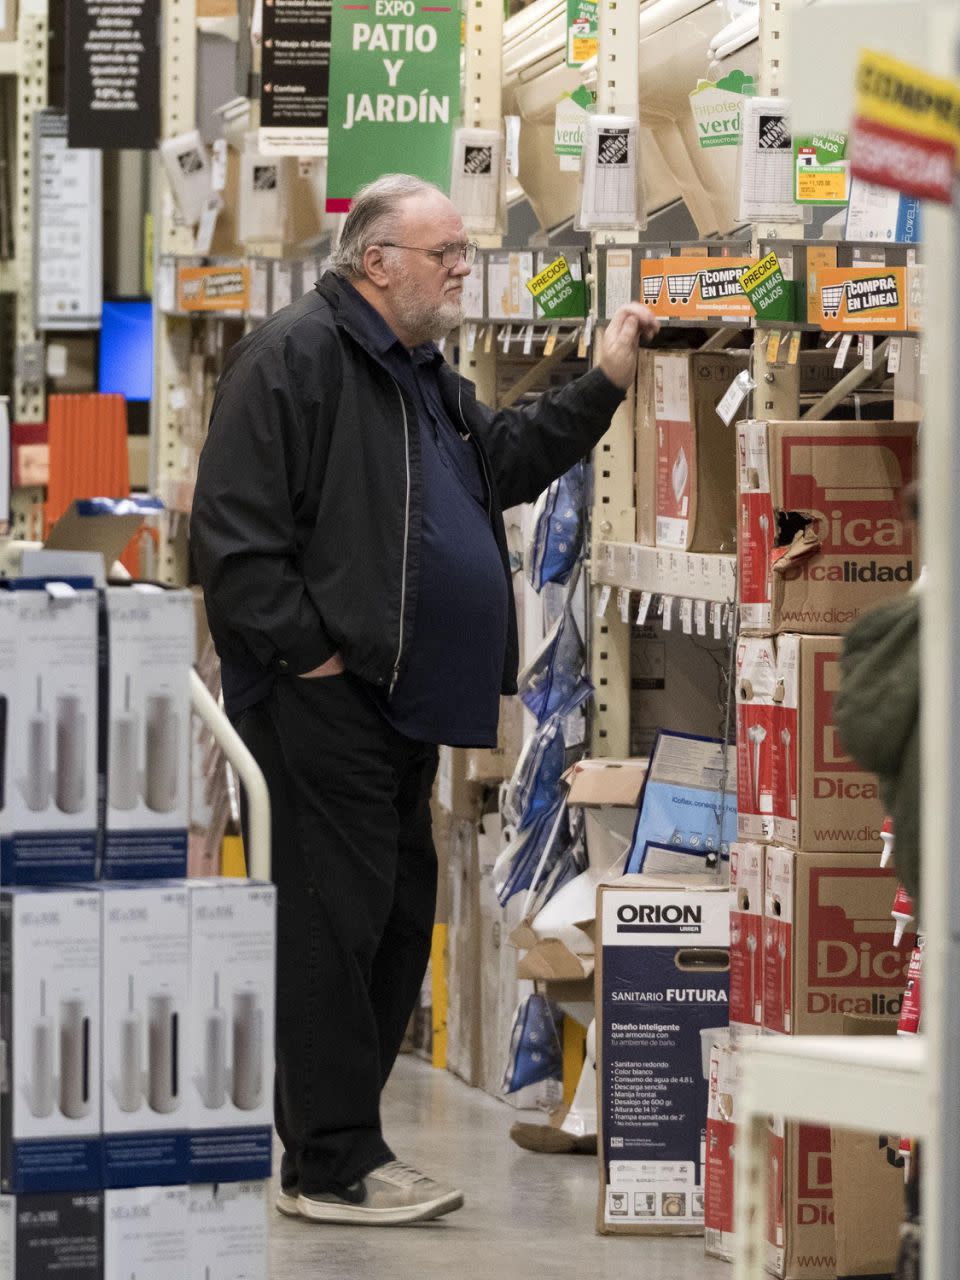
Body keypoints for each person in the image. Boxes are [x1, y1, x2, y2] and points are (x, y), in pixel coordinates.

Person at [191, 172, 659, 1227]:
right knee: (331, 925)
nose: (462, 269)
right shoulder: (292, 360)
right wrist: (313, 660)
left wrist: (605, 382)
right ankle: (327, 1161)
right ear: (376, 261)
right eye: (445, 252)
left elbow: (498, 461)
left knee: (392, 917)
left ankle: (346, 1141)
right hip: (324, 706)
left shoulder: (419, 374)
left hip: (395, 709)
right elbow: (232, 538)